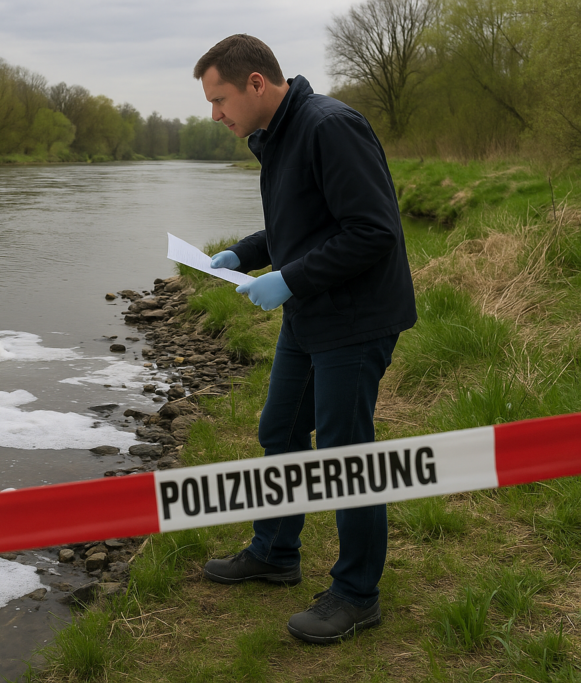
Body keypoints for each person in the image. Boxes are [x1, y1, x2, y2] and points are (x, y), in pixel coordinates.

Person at [193, 34, 417, 644]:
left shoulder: (330, 126)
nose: (215, 115)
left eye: (219, 100)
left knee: (347, 455)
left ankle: (356, 594)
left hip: (357, 317)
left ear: (256, 83)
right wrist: (249, 249)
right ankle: (275, 551)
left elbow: (373, 232)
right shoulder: (278, 134)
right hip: (311, 314)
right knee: (282, 430)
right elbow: (302, 218)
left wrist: (287, 279)